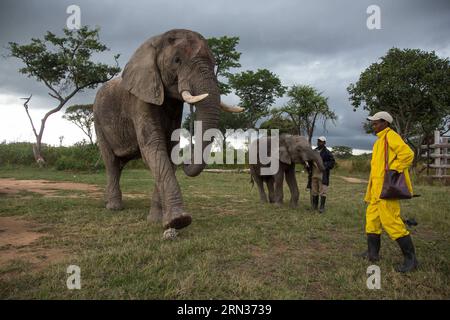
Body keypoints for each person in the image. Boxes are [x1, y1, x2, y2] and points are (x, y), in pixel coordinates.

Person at [362, 111, 418, 273]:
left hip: (387, 190)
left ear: (385, 123)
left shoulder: (390, 136)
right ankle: (372, 254)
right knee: (372, 221)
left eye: (376, 123)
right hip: (376, 191)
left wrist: (394, 170)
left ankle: (411, 260)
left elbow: (407, 155)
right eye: (373, 123)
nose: (374, 126)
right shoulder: (379, 141)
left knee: (392, 222)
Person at [307, 136, 335, 213]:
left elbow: (332, 163)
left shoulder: (327, 152)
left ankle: (322, 207)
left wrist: (324, 165)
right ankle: (314, 206)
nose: (319, 142)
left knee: (323, 191)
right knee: (314, 190)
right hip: (313, 174)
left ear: (324, 143)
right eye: (318, 141)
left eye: (321, 141)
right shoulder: (314, 151)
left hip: (323, 174)